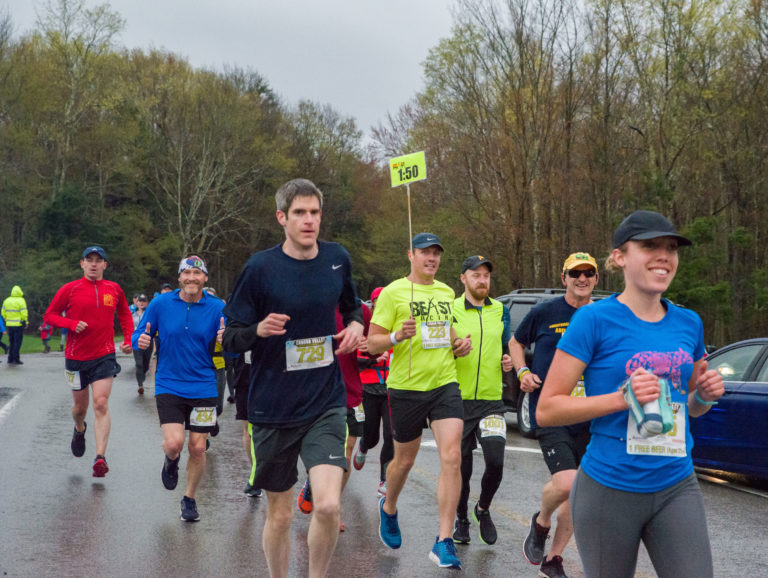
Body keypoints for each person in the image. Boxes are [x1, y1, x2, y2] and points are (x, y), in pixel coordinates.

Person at [536, 211, 724, 577]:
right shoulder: (593, 319)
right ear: (619, 256)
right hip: (609, 487)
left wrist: (703, 395)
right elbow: (547, 410)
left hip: (676, 484)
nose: (664, 256)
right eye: (650, 245)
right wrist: (622, 399)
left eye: (671, 248)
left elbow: (689, 406)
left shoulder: (689, 322)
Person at [222, 178, 363, 578]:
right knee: (280, 517)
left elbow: (352, 307)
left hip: (325, 401)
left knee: (329, 505)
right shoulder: (260, 268)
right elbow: (230, 337)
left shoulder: (337, 258)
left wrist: (354, 327)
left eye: (315, 212)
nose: (309, 221)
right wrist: (258, 330)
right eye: (299, 213)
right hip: (273, 406)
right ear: (282, 218)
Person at [366, 232, 472, 570]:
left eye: (436, 253)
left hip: (444, 384)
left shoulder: (446, 292)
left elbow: (448, 331)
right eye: (425, 252)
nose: (432, 258)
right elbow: (372, 343)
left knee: (452, 456)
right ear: (410, 254)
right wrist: (397, 335)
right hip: (407, 388)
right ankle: (390, 505)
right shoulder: (393, 292)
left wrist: (459, 345)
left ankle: (443, 540)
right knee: (404, 463)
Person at [510, 251, 599, 577]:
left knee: (581, 491)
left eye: (588, 273)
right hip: (551, 411)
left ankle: (554, 559)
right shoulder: (545, 311)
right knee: (566, 483)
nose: (582, 279)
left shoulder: (602, 316)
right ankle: (541, 522)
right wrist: (522, 372)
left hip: (591, 416)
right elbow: (516, 342)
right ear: (564, 279)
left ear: (596, 280)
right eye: (575, 273)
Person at [132, 255, 225, 522]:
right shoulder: (161, 303)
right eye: (187, 273)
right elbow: (138, 334)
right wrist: (141, 340)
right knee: (174, 443)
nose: (192, 278)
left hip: (204, 386)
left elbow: (233, 344)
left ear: (205, 278)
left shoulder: (217, 307)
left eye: (198, 274)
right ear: (180, 277)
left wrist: (225, 339)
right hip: (169, 383)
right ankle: (171, 461)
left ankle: (190, 498)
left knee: (198, 448)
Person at [44, 246, 134, 477]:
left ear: (105, 265)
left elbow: (124, 313)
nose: (94, 264)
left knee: (101, 403)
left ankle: (100, 457)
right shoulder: (70, 289)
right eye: (89, 260)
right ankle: (79, 428)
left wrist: (128, 339)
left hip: (104, 355)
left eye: (98, 260)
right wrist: (71, 324)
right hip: (75, 358)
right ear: (82, 264)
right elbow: (50, 316)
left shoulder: (114, 289)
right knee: (79, 408)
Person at [451, 255, 513, 547]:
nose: (482, 280)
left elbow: (506, 346)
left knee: (496, 461)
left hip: (491, 400)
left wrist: (508, 360)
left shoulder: (501, 310)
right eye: (476, 274)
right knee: (461, 470)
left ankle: (482, 508)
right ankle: (461, 519)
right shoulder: (450, 309)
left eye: (486, 275)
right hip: (457, 401)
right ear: (463, 278)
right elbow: (435, 349)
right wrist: (452, 351)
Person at [297, 303, 372, 533]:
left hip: (348, 392)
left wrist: (367, 346)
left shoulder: (360, 310)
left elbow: (373, 347)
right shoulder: (303, 302)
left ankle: (331, 505)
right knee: (321, 453)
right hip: (312, 394)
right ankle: (319, 488)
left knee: (346, 452)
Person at [352, 287, 393, 499]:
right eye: (377, 302)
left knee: (390, 436)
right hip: (367, 389)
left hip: (391, 390)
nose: (380, 306)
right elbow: (353, 361)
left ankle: (384, 480)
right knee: (371, 436)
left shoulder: (397, 330)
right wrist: (373, 359)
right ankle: (363, 446)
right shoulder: (365, 330)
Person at [131, 294, 152, 395]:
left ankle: (141, 377)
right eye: (140, 301)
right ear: (137, 302)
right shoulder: (132, 315)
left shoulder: (150, 314)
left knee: (146, 365)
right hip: (136, 342)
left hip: (148, 341)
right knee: (139, 364)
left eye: (144, 301)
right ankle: (140, 385)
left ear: (147, 303)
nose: (142, 303)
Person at [2, 285, 28, 365]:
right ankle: (16, 359)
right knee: (17, 342)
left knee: (11, 341)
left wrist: (7, 319)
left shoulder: (6, 300)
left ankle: (10, 358)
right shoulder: (21, 300)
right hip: (18, 324)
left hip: (9, 324)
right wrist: (25, 322)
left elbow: (3, 312)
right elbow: (24, 313)